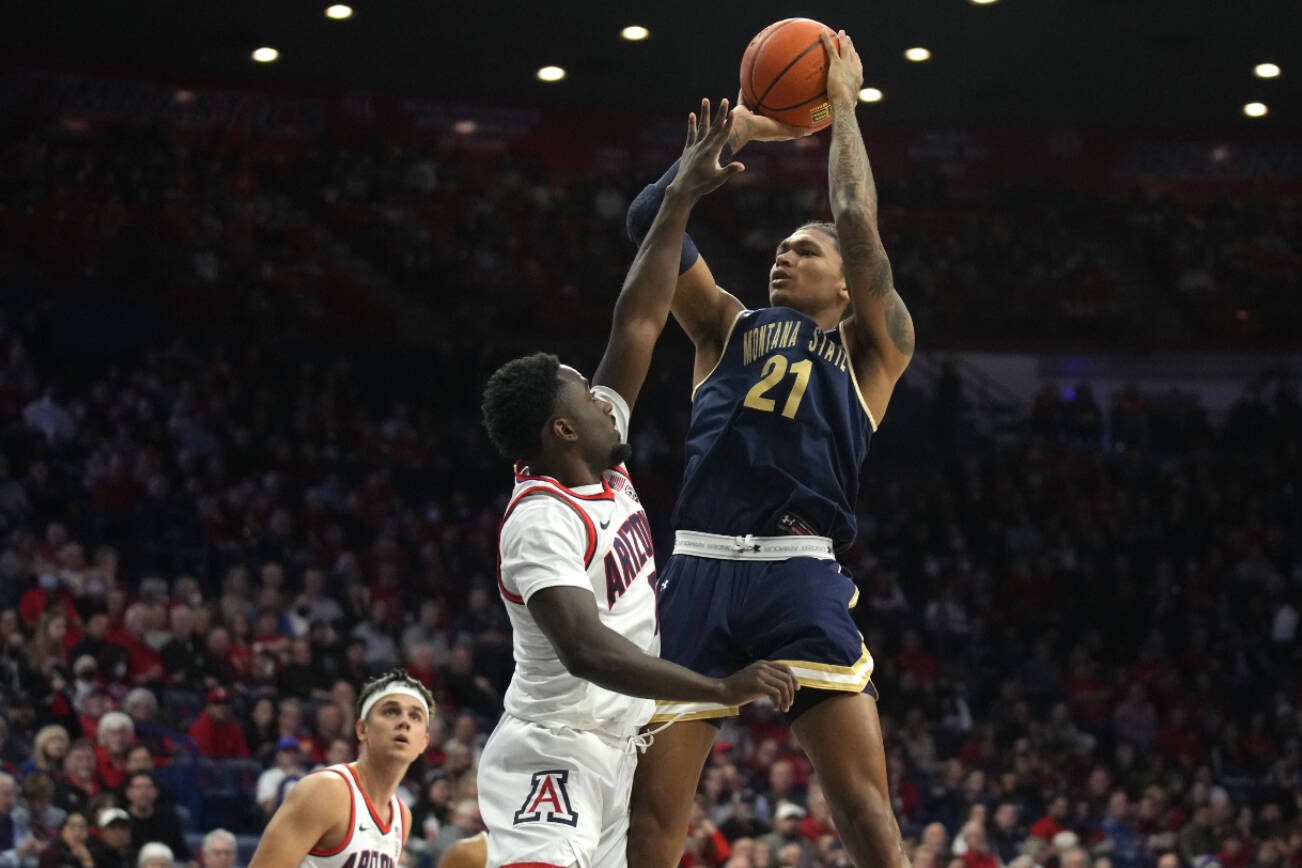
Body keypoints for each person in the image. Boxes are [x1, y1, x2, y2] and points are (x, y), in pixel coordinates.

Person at [477, 99, 798, 868]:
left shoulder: (600, 456)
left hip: (615, 746)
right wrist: (718, 689)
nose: (599, 392)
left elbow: (640, 322)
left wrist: (682, 195)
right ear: (561, 430)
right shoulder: (540, 519)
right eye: (582, 394)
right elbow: (587, 649)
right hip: (552, 748)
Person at [623, 33, 914, 868]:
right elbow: (649, 222)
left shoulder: (875, 350)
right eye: (782, 245)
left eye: (806, 249)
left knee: (865, 814)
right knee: (651, 825)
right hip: (700, 567)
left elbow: (857, 220)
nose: (785, 252)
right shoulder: (726, 324)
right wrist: (741, 131)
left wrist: (844, 106)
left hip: (798, 570)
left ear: (848, 286)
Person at [247, 669, 433, 868]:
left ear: (423, 743)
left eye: (415, 716)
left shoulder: (402, 815)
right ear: (362, 730)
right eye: (391, 711)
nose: (404, 722)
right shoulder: (325, 790)